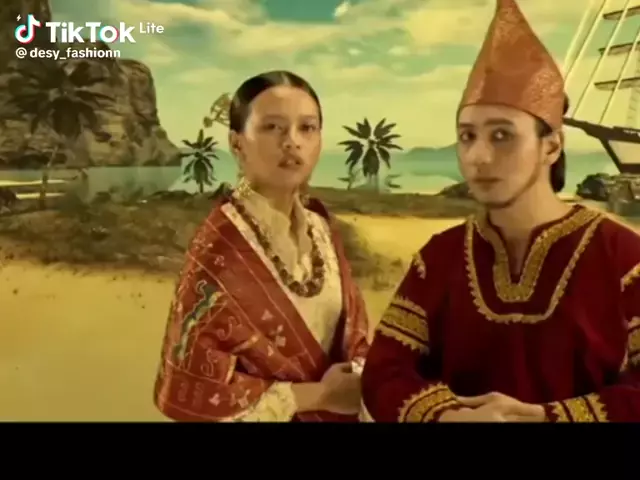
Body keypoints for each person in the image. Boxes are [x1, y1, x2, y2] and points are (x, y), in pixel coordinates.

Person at [361, 0, 640, 423]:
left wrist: (546, 417)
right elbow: (385, 371)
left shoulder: (624, 260)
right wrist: (448, 418)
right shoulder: (439, 259)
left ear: (552, 146)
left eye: (502, 136)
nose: (478, 156)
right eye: (467, 136)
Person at [153, 70, 369, 422]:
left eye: (307, 128)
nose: (292, 142)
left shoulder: (321, 229)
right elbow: (192, 386)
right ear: (237, 144)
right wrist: (318, 396)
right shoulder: (220, 248)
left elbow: (355, 336)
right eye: (272, 127)